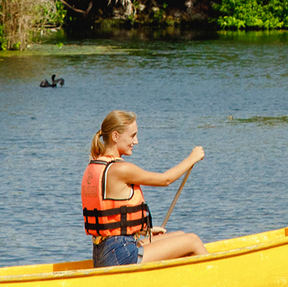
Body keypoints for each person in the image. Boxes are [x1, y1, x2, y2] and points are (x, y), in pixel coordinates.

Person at [83, 110, 206, 268]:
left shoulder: (95, 165)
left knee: (180, 236)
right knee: (192, 240)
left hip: (105, 252)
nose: (136, 141)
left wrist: (142, 231)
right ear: (115, 136)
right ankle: (220, 280)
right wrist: (192, 158)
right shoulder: (121, 169)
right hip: (120, 254)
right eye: (132, 136)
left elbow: (112, 223)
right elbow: (165, 180)